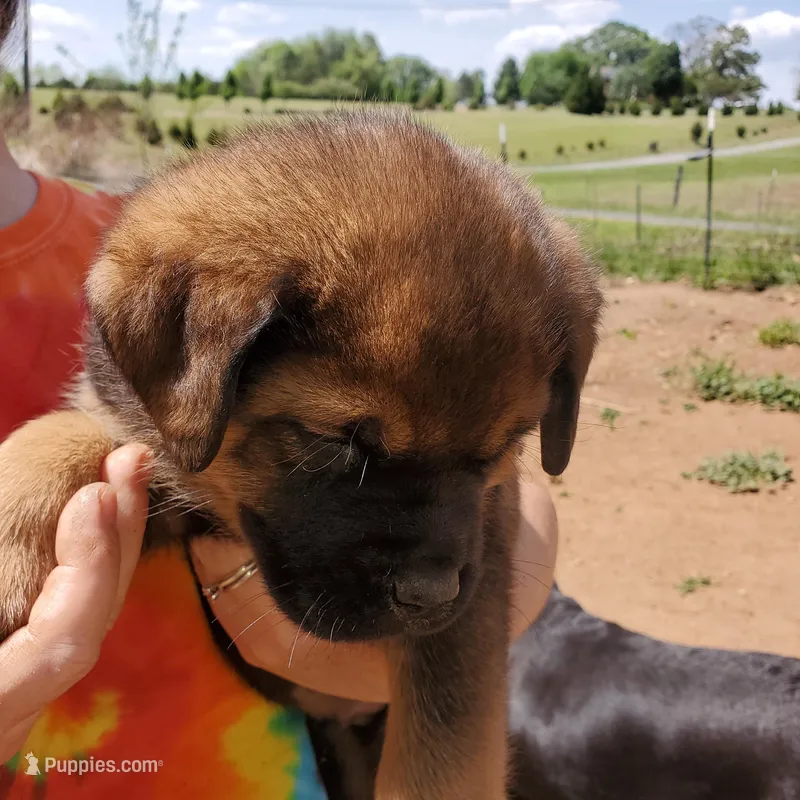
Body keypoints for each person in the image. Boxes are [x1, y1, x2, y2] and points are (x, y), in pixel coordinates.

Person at [0, 3, 558, 790]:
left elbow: (502, 508)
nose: (431, 578)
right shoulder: (180, 300)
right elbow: (123, 452)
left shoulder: (106, 236)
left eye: (496, 445)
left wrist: (510, 527)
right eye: (337, 443)